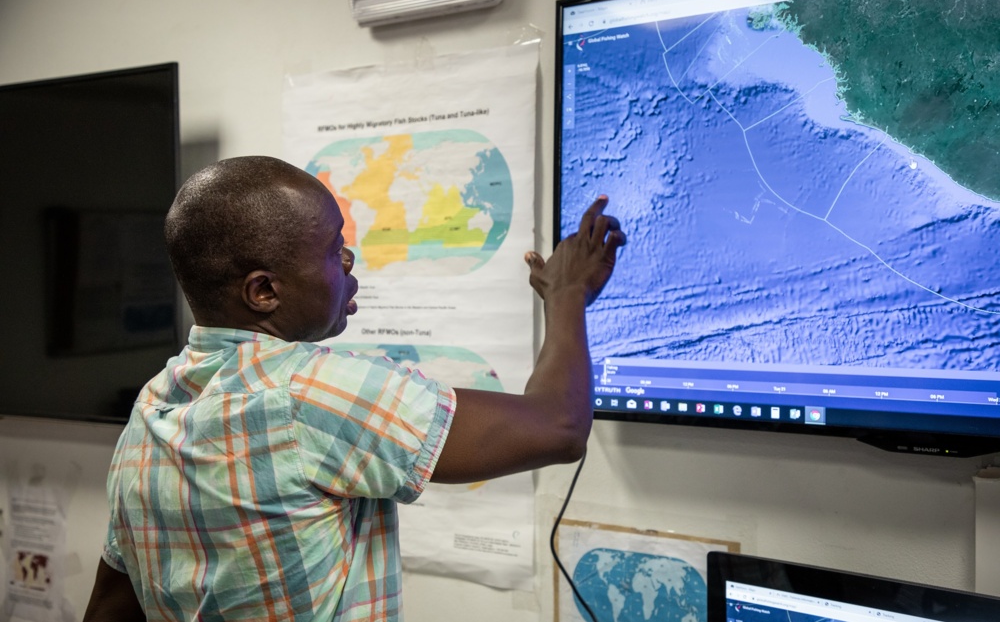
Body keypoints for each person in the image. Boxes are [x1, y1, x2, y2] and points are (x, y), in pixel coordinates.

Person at [82, 155, 626, 621]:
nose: (347, 259)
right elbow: (560, 425)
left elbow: (111, 603)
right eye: (331, 248)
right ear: (264, 291)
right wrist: (567, 295)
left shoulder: (153, 405)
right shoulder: (312, 393)